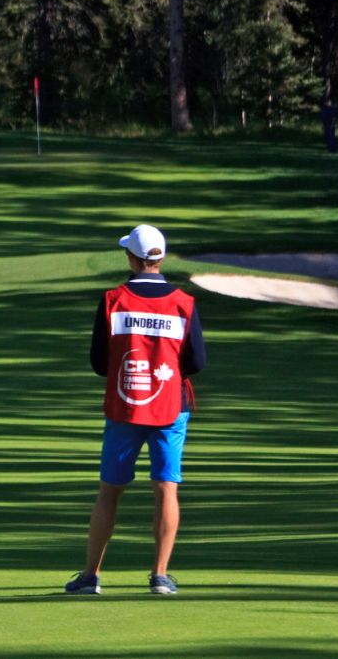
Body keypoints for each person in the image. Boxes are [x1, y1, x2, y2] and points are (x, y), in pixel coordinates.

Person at [66, 223, 205, 598]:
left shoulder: (114, 299)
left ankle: (90, 576)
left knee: (110, 490)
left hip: (124, 406)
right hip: (170, 407)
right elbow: (197, 362)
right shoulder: (183, 303)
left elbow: (99, 361)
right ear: (159, 258)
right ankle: (160, 576)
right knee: (166, 486)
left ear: (131, 257)